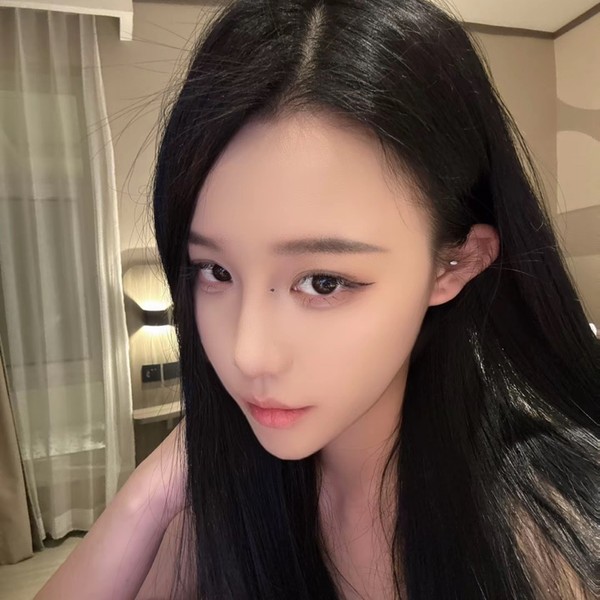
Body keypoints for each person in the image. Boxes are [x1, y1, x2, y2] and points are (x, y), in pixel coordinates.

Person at [35, 0, 600, 598]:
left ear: (454, 262)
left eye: (323, 282)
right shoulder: (216, 500)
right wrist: (147, 496)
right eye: (215, 271)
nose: (248, 355)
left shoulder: (542, 527)